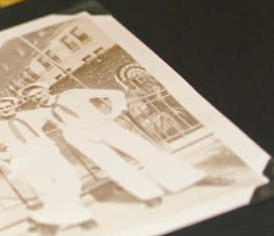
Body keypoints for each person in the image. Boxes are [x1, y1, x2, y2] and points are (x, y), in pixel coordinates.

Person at [18, 82, 204, 204]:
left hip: (102, 126)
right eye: (32, 98)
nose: (37, 98)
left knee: (145, 152)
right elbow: (26, 128)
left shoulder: (72, 94)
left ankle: (183, 179)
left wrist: (115, 112)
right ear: (29, 101)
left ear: (46, 90)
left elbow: (113, 93)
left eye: (38, 93)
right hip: (77, 136)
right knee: (113, 165)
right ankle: (149, 195)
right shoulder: (38, 113)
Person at [0, 97, 94, 233]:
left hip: (50, 154)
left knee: (71, 182)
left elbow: (54, 113)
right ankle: (77, 219)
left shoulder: (30, 115)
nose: (5, 110)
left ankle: (54, 217)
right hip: (25, 160)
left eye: (7, 106)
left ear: (14, 106)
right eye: (0, 109)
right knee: (47, 190)